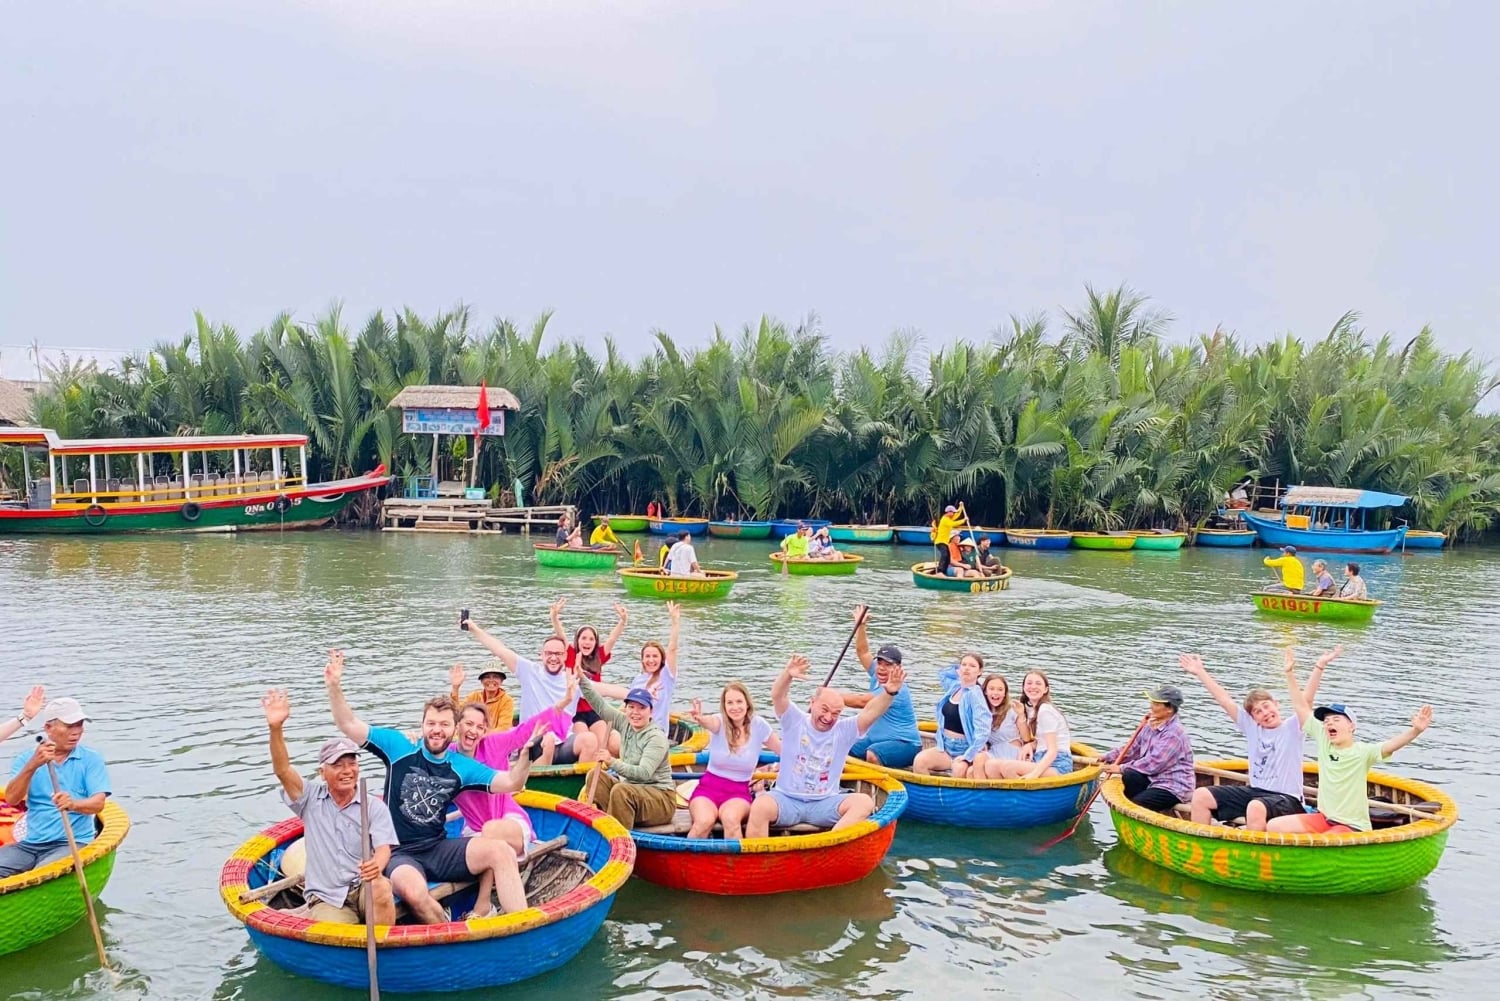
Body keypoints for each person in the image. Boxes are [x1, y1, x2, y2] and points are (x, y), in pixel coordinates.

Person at [323, 650, 540, 920]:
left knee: (500, 851)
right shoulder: (398, 747)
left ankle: (522, 924)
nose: (437, 730)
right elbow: (348, 723)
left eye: (444, 724)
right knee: (414, 893)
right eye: (431, 723)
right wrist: (334, 688)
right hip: (399, 851)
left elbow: (510, 782)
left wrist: (528, 756)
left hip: (438, 847)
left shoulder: (461, 766)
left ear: (454, 729)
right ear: (422, 725)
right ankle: (448, 929)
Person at [260, 689, 397, 925]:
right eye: (338, 765)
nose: (347, 771)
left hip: (362, 887)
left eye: (351, 763)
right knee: (335, 932)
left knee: (382, 887)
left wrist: (377, 866)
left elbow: (384, 847)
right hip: (328, 897)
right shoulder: (311, 799)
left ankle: (385, 951)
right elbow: (283, 771)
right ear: (322, 773)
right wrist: (276, 729)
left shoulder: (371, 805)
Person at [1267, 653, 1433, 835]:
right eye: (1327, 720)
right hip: (1324, 818)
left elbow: (1390, 745)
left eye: (1336, 719)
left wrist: (1415, 731)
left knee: (1326, 842)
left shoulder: (1362, 752)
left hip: (1350, 825)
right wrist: (1289, 674)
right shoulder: (1324, 741)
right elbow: (1301, 707)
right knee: (1274, 826)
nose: (1329, 723)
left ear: (1351, 726)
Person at [745, 652, 906, 839]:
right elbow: (778, 696)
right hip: (786, 799)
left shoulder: (844, 730)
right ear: (812, 703)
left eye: (836, 713)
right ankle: (762, 864)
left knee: (864, 803)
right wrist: (787, 675)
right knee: (759, 807)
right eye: (824, 710)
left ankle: (828, 847)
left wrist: (889, 692)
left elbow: (870, 713)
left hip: (825, 803)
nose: (829, 718)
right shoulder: (794, 720)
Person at [451, 679, 576, 906]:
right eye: (468, 724)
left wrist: (564, 702)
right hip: (473, 828)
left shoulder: (492, 744)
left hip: (509, 821)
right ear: (457, 725)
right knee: (480, 840)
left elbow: (523, 732)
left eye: (480, 727)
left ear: (485, 730)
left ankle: (483, 901)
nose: (473, 731)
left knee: (491, 832)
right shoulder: (446, 756)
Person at [1178, 651, 1325, 831]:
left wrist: (1316, 668)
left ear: (1276, 704)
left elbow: (1306, 701)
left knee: (1255, 807)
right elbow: (1224, 700)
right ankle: (1200, 846)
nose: (1265, 713)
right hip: (1256, 793)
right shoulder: (1252, 728)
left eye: (1266, 706)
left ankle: (1256, 856)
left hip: (1287, 798)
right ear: (1253, 718)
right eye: (1257, 711)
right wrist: (1200, 672)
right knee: (1201, 795)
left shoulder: (1293, 727)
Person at [0, 698, 110, 879]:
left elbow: (98, 804)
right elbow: (12, 799)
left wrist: (73, 804)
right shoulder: (26, 759)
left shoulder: (91, 759)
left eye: (79, 725)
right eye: (69, 726)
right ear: (48, 728)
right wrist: (33, 765)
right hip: (31, 844)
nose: (76, 732)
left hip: (71, 842)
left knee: (42, 874)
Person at [462, 619, 599, 764]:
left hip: (563, 743)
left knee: (589, 739)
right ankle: (539, 779)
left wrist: (627, 699)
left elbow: (609, 690)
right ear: (542, 655)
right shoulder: (529, 671)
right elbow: (500, 651)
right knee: (549, 739)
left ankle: (582, 783)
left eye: (558, 654)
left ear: (565, 656)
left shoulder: (573, 680)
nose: (553, 658)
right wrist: (473, 628)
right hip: (534, 743)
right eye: (549, 653)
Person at [576, 676, 677, 829]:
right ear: (626, 709)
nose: (635, 713)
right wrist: (581, 679)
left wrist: (612, 762)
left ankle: (618, 834)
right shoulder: (625, 723)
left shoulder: (655, 737)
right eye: (631, 707)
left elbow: (644, 773)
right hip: (632, 790)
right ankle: (608, 823)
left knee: (621, 790)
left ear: (651, 712)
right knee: (594, 776)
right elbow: (600, 705)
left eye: (641, 708)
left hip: (661, 798)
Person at [685, 682, 781, 839]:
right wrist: (700, 718)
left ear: (747, 704)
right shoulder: (719, 722)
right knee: (703, 821)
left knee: (731, 819)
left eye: (739, 702)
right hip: (708, 789)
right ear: (724, 706)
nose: (735, 707)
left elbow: (783, 751)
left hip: (738, 792)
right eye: (729, 703)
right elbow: (710, 722)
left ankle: (736, 863)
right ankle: (687, 861)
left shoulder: (759, 725)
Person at [587, 602, 682, 735]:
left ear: (661, 659)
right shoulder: (638, 679)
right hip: (634, 731)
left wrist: (675, 623)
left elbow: (672, 649)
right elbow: (628, 705)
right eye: (647, 656)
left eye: (655, 656)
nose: (651, 660)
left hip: (655, 734)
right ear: (642, 659)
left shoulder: (666, 676)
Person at [843, 608, 921, 769]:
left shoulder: (897, 688)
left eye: (888, 665)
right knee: (842, 743)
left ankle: (877, 791)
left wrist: (828, 696)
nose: (881, 668)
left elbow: (861, 701)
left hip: (905, 745)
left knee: (872, 753)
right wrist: (860, 626)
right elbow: (862, 651)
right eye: (879, 663)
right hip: (876, 739)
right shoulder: (877, 674)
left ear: (897, 667)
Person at [551, 598, 629, 756]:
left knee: (603, 745)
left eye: (591, 639)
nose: (587, 642)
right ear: (577, 641)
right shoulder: (571, 654)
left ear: (595, 642)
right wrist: (554, 617)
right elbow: (561, 636)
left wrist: (623, 621)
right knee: (587, 741)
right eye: (583, 638)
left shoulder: (599, 656)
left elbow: (612, 639)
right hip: (575, 712)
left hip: (595, 710)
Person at [1099, 685, 1194, 812]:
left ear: (1169, 709)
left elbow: (1154, 763)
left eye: (1156, 704)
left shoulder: (1174, 733)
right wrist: (1108, 757)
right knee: (1130, 775)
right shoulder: (1151, 725)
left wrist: (1120, 768)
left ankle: (1142, 808)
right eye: (1152, 703)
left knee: (1137, 803)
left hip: (1172, 786)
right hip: (1153, 779)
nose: (1151, 707)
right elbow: (1132, 749)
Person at [912, 653, 991, 778]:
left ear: (980, 671)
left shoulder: (975, 695)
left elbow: (983, 732)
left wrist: (968, 756)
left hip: (965, 748)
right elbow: (943, 674)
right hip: (945, 746)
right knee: (920, 761)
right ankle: (930, 796)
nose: (966, 668)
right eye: (964, 665)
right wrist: (960, 671)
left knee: (958, 770)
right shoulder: (955, 687)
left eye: (972, 666)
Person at [983, 670, 1073, 779]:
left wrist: (1034, 775)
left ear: (1046, 689)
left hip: (1057, 763)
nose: (1033, 686)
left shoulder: (1045, 710)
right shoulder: (1033, 710)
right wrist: (1030, 745)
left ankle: (1019, 794)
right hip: (1040, 758)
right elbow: (1042, 739)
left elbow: (1052, 750)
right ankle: (1004, 796)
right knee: (991, 765)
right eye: (1029, 683)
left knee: (1008, 767)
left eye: (1038, 683)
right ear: (1024, 688)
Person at [970, 674, 1029, 775]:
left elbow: (1026, 738)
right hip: (993, 751)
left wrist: (1021, 715)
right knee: (971, 771)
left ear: (1005, 693)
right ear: (985, 691)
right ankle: (983, 790)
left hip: (1011, 750)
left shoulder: (1012, 709)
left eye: (1000, 689)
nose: (995, 693)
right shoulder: (982, 713)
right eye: (991, 689)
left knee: (988, 764)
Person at [448, 660, 516, 732]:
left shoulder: (507, 700)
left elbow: (503, 729)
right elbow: (457, 713)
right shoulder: (474, 696)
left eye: (495, 677)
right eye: (487, 677)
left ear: (501, 681)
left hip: (491, 739)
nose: (491, 680)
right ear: (481, 680)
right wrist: (455, 688)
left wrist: (479, 735)